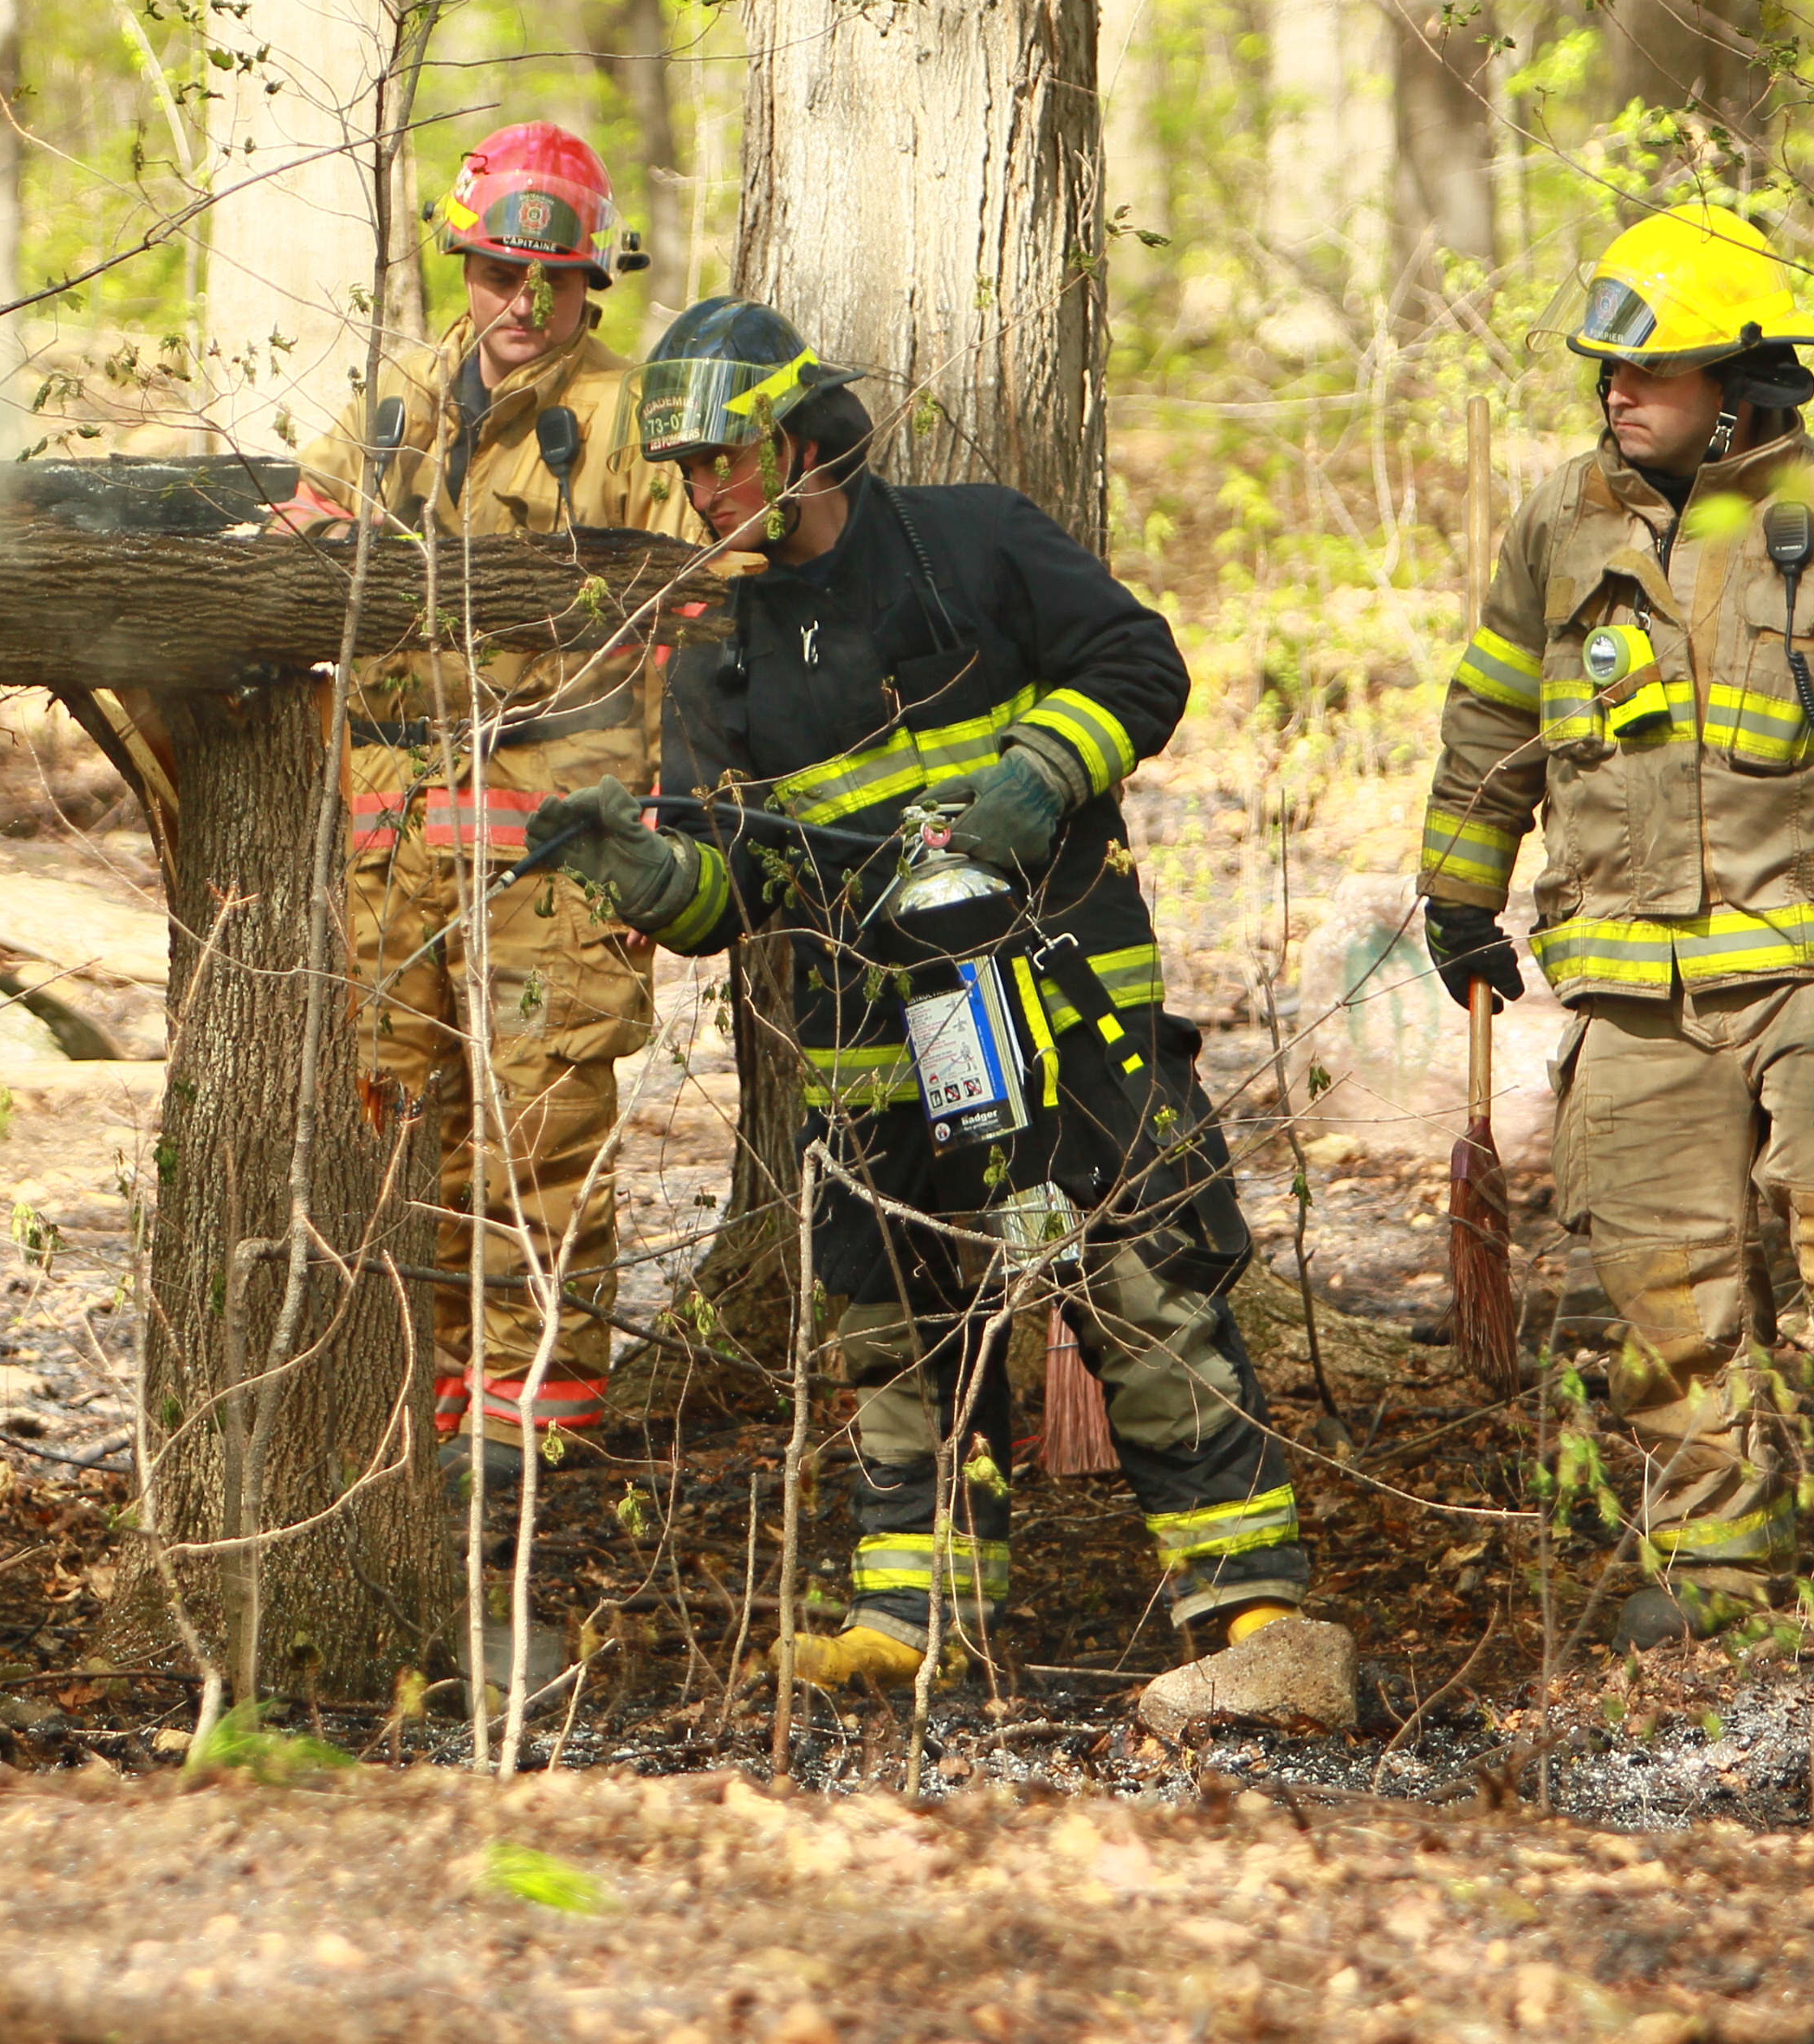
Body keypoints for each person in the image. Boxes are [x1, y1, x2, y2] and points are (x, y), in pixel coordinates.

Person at [526, 297, 1312, 1689]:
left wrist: (1042, 776)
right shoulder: (719, 648)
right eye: (687, 470)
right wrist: (640, 874)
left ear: (801, 439)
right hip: (873, 1053)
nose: (704, 490)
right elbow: (733, 888)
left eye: (724, 457)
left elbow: (1141, 662)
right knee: (896, 1335)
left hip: (1068, 1017)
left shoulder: (974, 537)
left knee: (1145, 1294)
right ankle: (914, 1627)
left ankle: (1247, 1605)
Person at [1414, 204, 1814, 1648]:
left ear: (1741, 382)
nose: (1621, 395)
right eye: (1609, 375)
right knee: (1655, 1278)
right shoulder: (1560, 521)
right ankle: (1718, 1564)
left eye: (1656, 372)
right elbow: (1496, 716)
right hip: (1630, 969)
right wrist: (1457, 887)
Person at [280, 123, 690, 1497]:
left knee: (537, 1132)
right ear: (466, 264)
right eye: (501, 275)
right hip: (392, 841)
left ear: (594, 287)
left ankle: (532, 1421)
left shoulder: (635, 419)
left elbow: (694, 633)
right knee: (392, 1126)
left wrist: (667, 842)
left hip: (558, 846)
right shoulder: (400, 393)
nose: (523, 307)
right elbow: (303, 531)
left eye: (554, 284)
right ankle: (419, 1401)